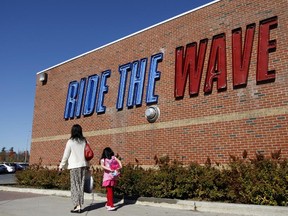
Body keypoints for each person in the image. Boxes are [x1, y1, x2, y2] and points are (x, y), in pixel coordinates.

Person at [59, 124, 89, 213]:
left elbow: (66, 155)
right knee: (81, 186)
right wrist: (88, 165)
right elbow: (87, 154)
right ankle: (80, 204)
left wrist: (61, 166)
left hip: (74, 167)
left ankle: (77, 206)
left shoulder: (70, 141)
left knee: (75, 186)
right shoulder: (85, 141)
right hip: (83, 166)